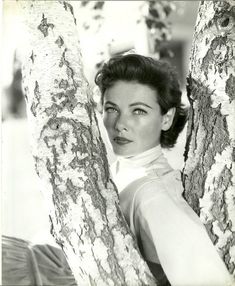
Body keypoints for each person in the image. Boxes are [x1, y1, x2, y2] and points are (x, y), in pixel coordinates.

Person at [95, 53, 232, 285]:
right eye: (112, 109)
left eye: (138, 110)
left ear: (166, 118)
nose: (120, 125)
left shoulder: (155, 196)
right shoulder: (114, 170)